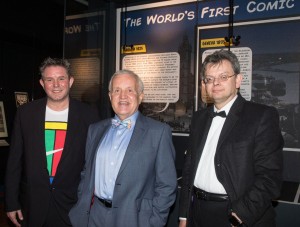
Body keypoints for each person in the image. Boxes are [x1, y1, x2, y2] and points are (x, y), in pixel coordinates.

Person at [179, 50, 283, 227]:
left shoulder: (261, 116)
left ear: (238, 80)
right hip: (198, 213)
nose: (216, 83)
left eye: (223, 76)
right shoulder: (199, 118)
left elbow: (269, 179)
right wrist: (184, 217)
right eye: (209, 79)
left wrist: (238, 217)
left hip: (237, 215)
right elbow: (189, 171)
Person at [69, 69, 177, 227]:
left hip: (134, 219)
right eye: (117, 90)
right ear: (110, 96)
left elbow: (167, 185)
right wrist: (83, 202)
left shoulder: (158, 132)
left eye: (130, 90)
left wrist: (154, 222)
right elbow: (87, 172)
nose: (123, 96)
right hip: (94, 216)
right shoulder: (95, 130)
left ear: (140, 96)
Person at [5, 57, 99, 227]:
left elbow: (93, 163)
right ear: (42, 83)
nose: (56, 84)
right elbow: (14, 162)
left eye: (61, 78)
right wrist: (11, 202)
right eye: (50, 79)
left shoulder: (89, 115)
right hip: (32, 204)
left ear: (70, 81)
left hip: (72, 205)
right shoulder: (26, 113)